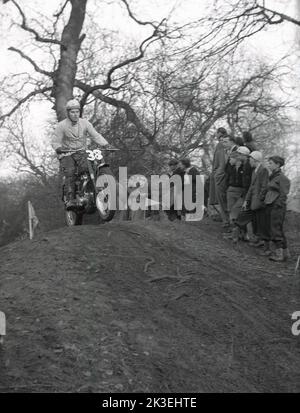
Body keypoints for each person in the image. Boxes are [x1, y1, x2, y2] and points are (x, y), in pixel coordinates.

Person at [52, 99, 109, 209]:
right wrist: (58, 148)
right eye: (72, 112)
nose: (75, 114)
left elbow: (95, 135)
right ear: (68, 113)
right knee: (70, 171)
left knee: (90, 167)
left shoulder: (85, 123)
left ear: (80, 112)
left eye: (77, 112)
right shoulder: (61, 125)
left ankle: (90, 190)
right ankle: (70, 199)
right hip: (66, 153)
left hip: (81, 152)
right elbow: (55, 141)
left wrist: (106, 144)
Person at [232, 151, 269, 243]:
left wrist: (259, 200)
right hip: (251, 200)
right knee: (242, 216)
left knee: (259, 223)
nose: (249, 162)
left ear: (255, 160)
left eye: (250, 160)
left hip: (258, 202)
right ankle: (236, 236)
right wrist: (246, 200)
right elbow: (251, 187)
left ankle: (260, 242)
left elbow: (264, 187)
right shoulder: (254, 171)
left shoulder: (263, 170)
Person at [260, 156, 291, 261]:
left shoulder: (282, 178)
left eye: (271, 163)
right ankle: (285, 253)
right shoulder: (273, 176)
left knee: (275, 229)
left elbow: (283, 194)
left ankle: (280, 255)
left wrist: (277, 205)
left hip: (277, 207)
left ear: (278, 165)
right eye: (268, 163)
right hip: (270, 205)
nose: (269, 165)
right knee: (277, 229)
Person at [209, 127, 230, 227]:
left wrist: (217, 174)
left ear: (219, 133)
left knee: (222, 199)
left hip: (220, 176)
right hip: (219, 174)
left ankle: (226, 222)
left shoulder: (220, 145)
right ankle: (225, 220)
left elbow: (221, 162)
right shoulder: (221, 144)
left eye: (216, 133)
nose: (216, 135)